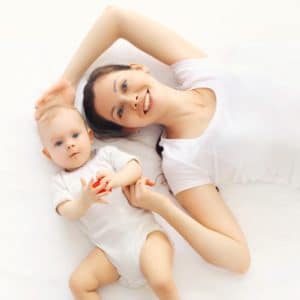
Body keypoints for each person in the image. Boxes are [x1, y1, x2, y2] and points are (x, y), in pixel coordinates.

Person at [34, 5, 261, 274]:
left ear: (139, 68)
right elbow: (237, 258)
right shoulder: (181, 161)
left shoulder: (200, 71)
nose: (132, 100)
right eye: (120, 111)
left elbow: (117, 18)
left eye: (125, 86)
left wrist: (68, 82)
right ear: (129, 130)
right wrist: (161, 206)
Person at [36, 104, 179, 300]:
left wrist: (116, 180)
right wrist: (84, 200)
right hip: (110, 253)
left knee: (161, 281)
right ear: (47, 153)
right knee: (78, 284)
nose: (69, 144)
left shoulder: (106, 155)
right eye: (58, 143)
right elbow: (67, 211)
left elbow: (134, 168)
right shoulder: (60, 182)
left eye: (75, 135)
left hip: (145, 236)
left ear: (89, 135)